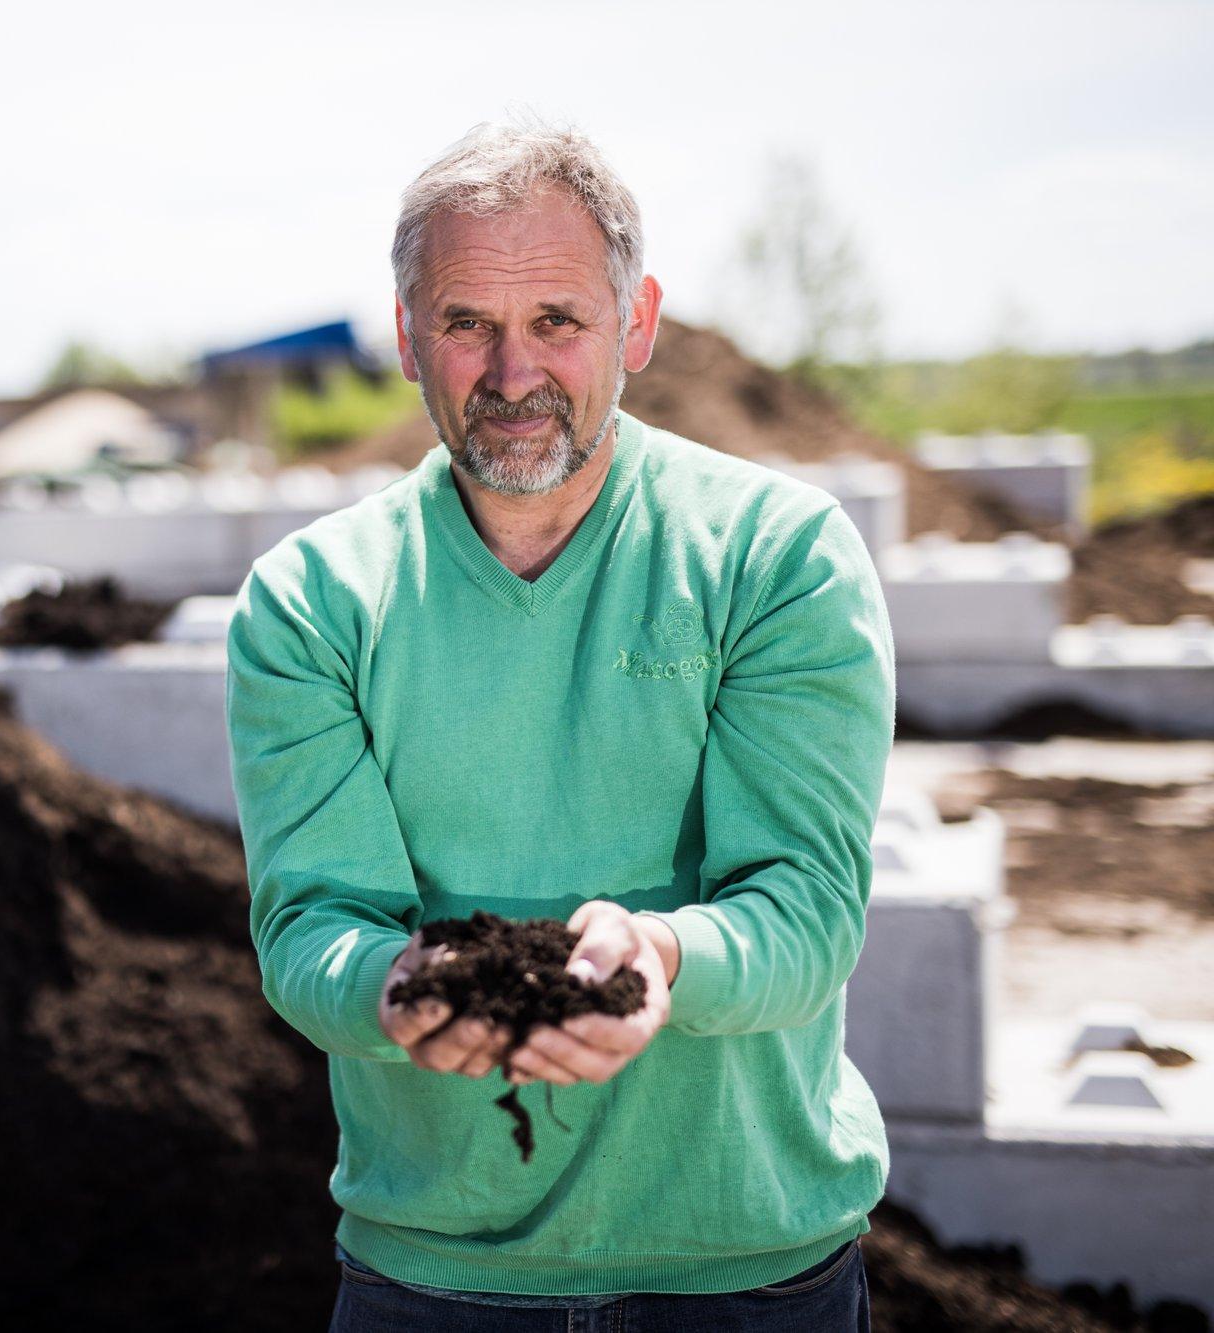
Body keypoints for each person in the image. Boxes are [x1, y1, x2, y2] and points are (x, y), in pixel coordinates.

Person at [224, 118, 893, 1331]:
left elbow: (805, 910)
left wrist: (661, 959)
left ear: (635, 324)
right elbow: (310, 927)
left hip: (747, 1272)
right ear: (406, 337)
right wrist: (401, 985)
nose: (511, 373)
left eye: (556, 323)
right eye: (466, 322)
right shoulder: (313, 601)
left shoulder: (772, 556)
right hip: (432, 1279)